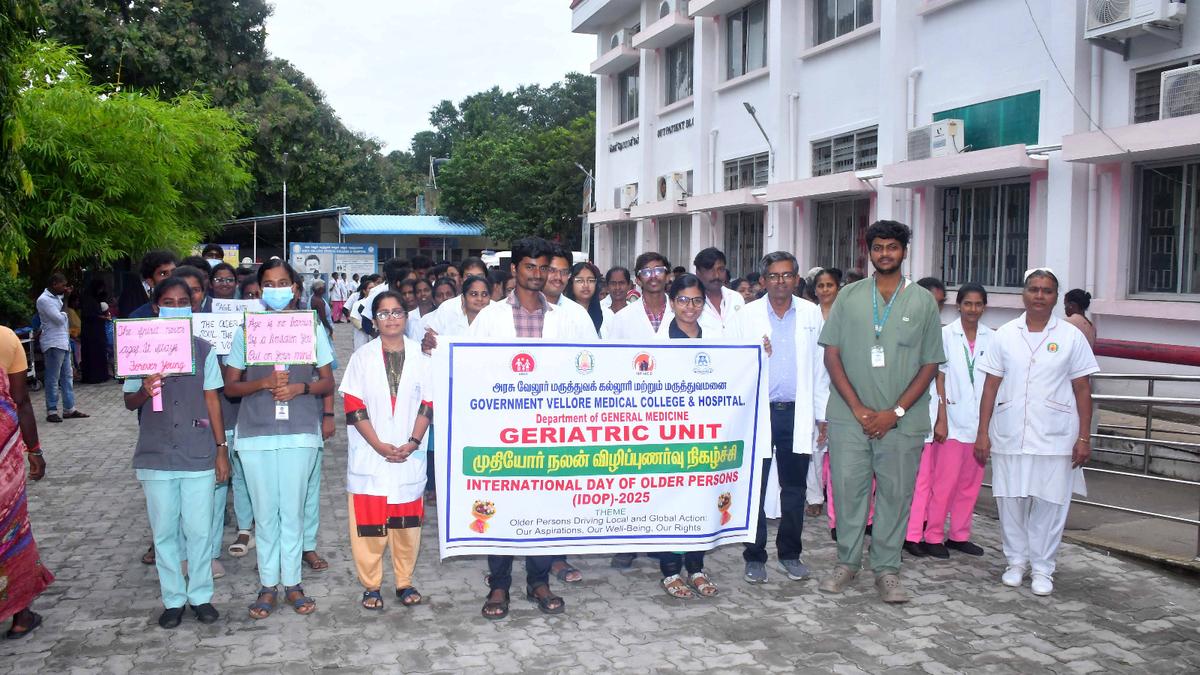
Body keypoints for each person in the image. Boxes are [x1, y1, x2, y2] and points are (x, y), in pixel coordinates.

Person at [817, 220, 944, 604]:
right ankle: (847, 562)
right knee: (848, 492)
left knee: (895, 494)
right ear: (868, 252)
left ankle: (887, 570)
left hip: (902, 422)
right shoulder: (850, 295)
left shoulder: (922, 301)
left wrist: (897, 411)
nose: (885, 253)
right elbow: (832, 354)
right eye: (878, 248)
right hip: (849, 417)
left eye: (892, 247)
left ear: (904, 251)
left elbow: (930, 364)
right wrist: (857, 408)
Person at [468, 237, 594, 620]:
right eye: (530, 267)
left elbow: (593, 367)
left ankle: (539, 580)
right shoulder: (489, 318)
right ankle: (500, 584)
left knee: (545, 506)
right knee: (501, 505)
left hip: (553, 431)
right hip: (502, 431)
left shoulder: (568, 316)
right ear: (514, 270)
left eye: (544, 267)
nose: (538, 274)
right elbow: (470, 371)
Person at [222, 259, 336, 619]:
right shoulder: (246, 331)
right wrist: (264, 383)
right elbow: (230, 385)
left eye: (282, 282)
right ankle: (268, 585)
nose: (275, 289)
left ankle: (294, 583)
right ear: (259, 290)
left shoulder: (312, 328)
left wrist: (301, 388)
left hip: (300, 432)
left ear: (295, 288)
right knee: (265, 515)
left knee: (293, 513)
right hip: (255, 434)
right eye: (268, 283)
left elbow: (327, 381)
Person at [974, 269, 1098, 596]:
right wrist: (982, 432)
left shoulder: (1071, 337)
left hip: (1056, 435)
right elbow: (990, 386)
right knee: (1010, 499)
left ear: (1056, 297)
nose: (1039, 296)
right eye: (1034, 289)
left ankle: (1043, 567)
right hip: (1010, 430)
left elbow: (1083, 389)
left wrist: (1084, 437)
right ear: (1024, 294)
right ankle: (1016, 561)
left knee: (1050, 503)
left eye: (1046, 291)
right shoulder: (1005, 334)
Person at [123, 277, 230, 628]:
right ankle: (173, 598)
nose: (176, 306)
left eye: (183, 301)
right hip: (156, 455)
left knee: (199, 530)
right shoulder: (139, 345)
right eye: (168, 301)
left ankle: (200, 595)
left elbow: (213, 398)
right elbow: (128, 400)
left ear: (193, 306)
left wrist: (220, 449)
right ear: (156, 307)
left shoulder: (203, 349)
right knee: (165, 531)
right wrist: (144, 389)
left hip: (198, 450)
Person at [727, 252, 828, 584]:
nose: (780, 282)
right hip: (759, 413)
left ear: (797, 280)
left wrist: (821, 414)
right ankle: (754, 556)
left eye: (787, 276)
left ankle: (790, 554)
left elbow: (821, 368)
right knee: (755, 485)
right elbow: (734, 363)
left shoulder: (812, 314)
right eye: (773, 276)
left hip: (798, 413)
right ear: (762, 281)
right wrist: (758, 356)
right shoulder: (747, 314)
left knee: (795, 487)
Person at [340, 290, 433, 611]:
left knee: (407, 528)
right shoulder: (361, 358)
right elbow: (353, 406)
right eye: (383, 314)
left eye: (397, 313)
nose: (391, 319)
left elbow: (428, 404)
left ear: (406, 318)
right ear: (374, 320)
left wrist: (414, 443)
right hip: (371, 456)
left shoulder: (422, 358)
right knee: (369, 528)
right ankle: (371, 586)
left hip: (409, 454)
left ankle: (404, 581)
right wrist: (379, 445)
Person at [904, 283, 993, 559]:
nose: (973, 310)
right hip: (952, 421)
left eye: (978, 305)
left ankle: (959, 534)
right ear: (958, 306)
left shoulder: (993, 338)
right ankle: (932, 535)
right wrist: (942, 418)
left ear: (984, 307)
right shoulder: (944, 335)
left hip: (979, 422)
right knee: (944, 483)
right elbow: (938, 377)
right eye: (968, 304)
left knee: (970, 483)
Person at [651, 274, 720, 598]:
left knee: (701, 501)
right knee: (672, 503)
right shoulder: (657, 342)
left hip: (707, 436)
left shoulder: (719, 339)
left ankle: (695, 567)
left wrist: (758, 352)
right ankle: (669, 571)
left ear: (704, 303)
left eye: (696, 300)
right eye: (682, 300)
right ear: (671, 301)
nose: (689, 307)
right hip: (669, 436)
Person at [0, 325, 53, 639]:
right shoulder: (6, 338)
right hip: (4, 457)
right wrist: (34, 450)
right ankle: (20, 614)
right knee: (11, 531)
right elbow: (20, 401)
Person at [805, 268, 842, 520]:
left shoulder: (846, 315)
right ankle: (815, 495)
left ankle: (839, 496)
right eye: (821, 286)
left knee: (840, 449)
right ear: (814, 289)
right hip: (814, 384)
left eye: (830, 285)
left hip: (841, 386)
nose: (825, 290)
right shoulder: (808, 315)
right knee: (815, 448)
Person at [37, 273, 88, 423]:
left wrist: (65, 298)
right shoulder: (44, 300)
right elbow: (59, 319)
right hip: (53, 342)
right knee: (53, 378)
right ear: (54, 284)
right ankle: (51, 410)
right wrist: (66, 300)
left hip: (63, 341)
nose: (64, 288)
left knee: (67, 376)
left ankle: (69, 408)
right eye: (62, 285)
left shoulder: (56, 298)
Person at [606, 253, 673, 340]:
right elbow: (613, 351)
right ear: (638, 280)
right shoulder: (622, 318)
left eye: (658, 271)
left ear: (668, 277)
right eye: (646, 272)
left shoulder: (682, 312)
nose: (653, 276)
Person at [694, 247, 743, 337]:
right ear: (698, 273)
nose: (716, 275)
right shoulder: (691, 302)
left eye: (721, 269)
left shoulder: (736, 298)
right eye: (710, 270)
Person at [127, 250, 178, 318]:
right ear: (150, 282)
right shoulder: (138, 317)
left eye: (174, 271)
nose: (171, 277)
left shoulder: (194, 308)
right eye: (163, 274)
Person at [79, 279, 111, 384]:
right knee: (92, 354)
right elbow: (89, 315)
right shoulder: (88, 299)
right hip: (91, 332)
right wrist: (102, 317)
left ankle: (100, 375)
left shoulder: (94, 299)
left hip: (96, 332)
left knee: (98, 353)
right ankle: (93, 377)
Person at [564, 262, 604, 335]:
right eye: (580, 280)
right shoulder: (563, 313)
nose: (586, 285)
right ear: (571, 283)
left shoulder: (606, 313)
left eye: (591, 280)